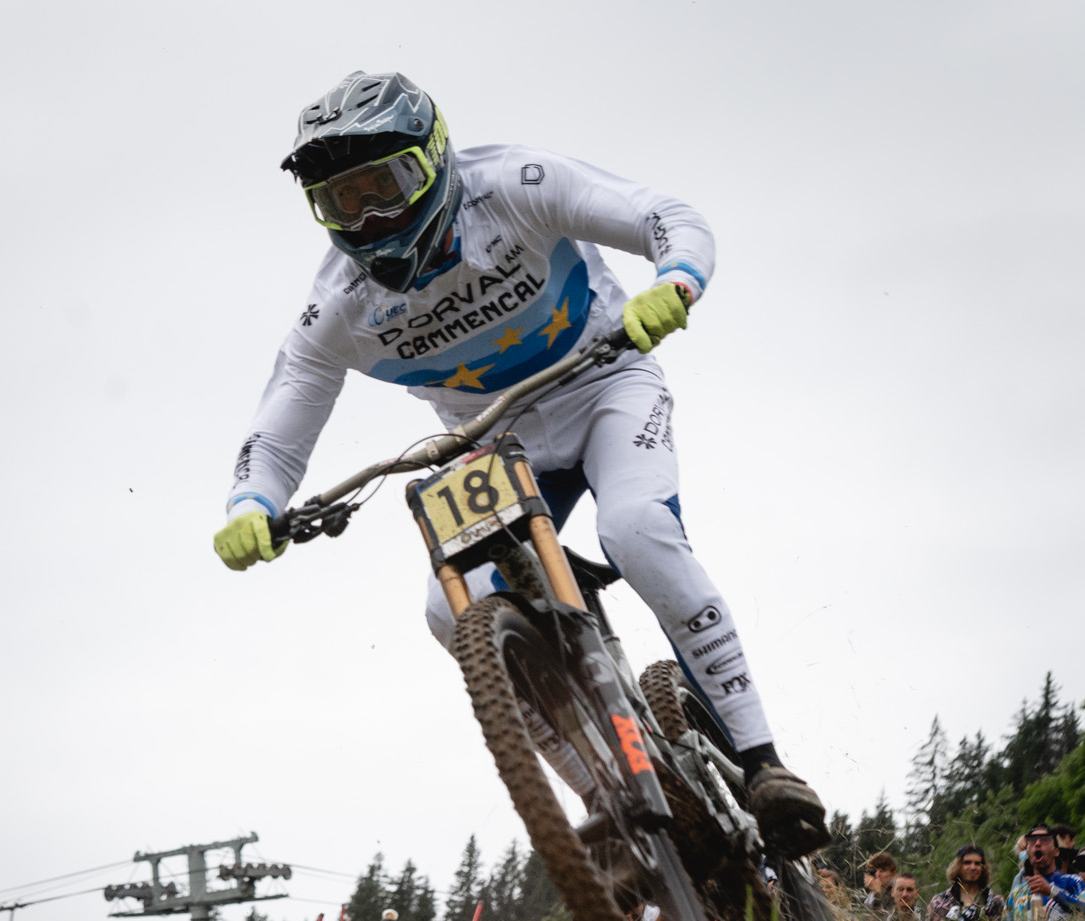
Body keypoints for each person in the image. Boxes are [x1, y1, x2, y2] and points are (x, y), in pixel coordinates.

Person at [214, 70, 828, 857]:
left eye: (386, 185)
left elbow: (665, 215)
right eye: (342, 200)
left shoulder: (513, 185)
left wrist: (674, 280)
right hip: (494, 442)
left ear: (433, 161)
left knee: (635, 528)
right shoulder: (338, 303)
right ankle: (608, 799)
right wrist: (250, 502)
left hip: (604, 381)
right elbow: (283, 416)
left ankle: (763, 762)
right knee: (451, 613)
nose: (369, 216)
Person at [1007, 824, 1085, 921]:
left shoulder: (1074, 882)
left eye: (1045, 840)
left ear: (1056, 851)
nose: (1037, 843)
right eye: (1032, 840)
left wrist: (1052, 892)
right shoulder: (1017, 894)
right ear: (1027, 853)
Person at [926, 844, 1006, 921]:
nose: (972, 867)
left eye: (977, 863)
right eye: (967, 862)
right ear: (958, 866)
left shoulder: (995, 902)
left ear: (983, 867)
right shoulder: (939, 902)